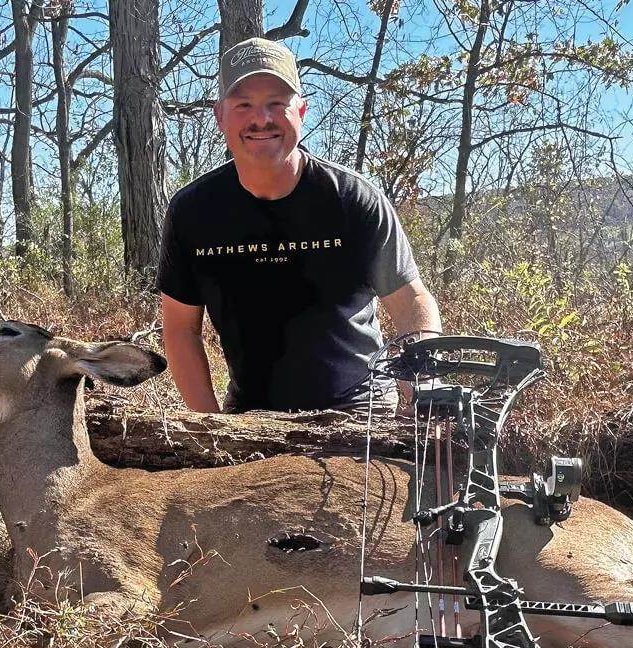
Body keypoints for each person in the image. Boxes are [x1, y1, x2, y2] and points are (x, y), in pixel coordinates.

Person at [157, 36, 441, 414]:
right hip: (251, 414)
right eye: (243, 105)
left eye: (277, 103)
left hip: (362, 409)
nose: (262, 119)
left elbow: (411, 303)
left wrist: (422, 389)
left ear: (301, 111)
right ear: (220, 116)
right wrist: (211, 427)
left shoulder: (353, 201)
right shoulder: (193, 212)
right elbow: (181, 328)